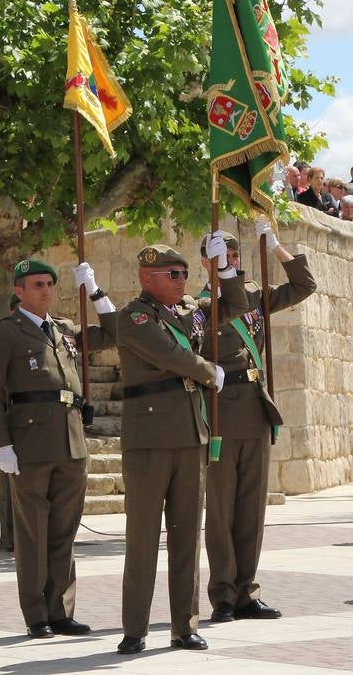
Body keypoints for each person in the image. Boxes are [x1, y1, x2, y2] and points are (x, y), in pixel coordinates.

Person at [116, 236, 249, 655]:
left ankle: (184, 625)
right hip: (150, 438)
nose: (182, 281)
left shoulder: (191, 310)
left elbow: (236, 307)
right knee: (142, 537)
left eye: (185, 274)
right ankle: (135, 627)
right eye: (173, 275)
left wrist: (222, 271)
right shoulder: (134, 317)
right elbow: (169, 354)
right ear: (146, 278)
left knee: (187, 533)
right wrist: (210, 371)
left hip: (191, 434)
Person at [0, 258, 117, 639]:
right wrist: (0, 444)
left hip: (70, 440)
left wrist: (96, 291)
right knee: (33, 532)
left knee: (64, 532)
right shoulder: (3, 333)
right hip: (30, 442)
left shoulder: (64, 329)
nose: (46, 290)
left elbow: (115, 332)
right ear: (18, 291)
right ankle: (36, 614)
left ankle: (61, 610)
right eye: (37, 284)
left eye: (49, 284)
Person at [199, 224, 315, 624]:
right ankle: (223, 595)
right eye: (222, 257)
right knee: (220, 511)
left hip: (254, 409)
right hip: (218, 415)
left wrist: (278, 247)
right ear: (206, 262)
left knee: (251, 509)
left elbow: (303, 286)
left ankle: (247, 591)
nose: (231, 262)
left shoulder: (252, 298)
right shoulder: (195, 306)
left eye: (235, 256)